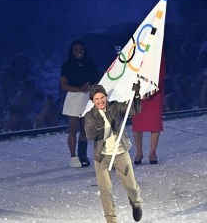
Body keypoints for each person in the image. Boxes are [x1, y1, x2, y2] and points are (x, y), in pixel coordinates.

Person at [84, 83, 143, 223]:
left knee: (131, 187)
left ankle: (136, 203)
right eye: (97, 99)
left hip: (121, 153)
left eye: (102, 97)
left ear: (106, 97)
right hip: (102, 157)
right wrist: (99, 125)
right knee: (105, 189)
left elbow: (135, 110)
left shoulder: (115, 107)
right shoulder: (90, 115)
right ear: (92, 101)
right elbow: (89, 134)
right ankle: (111, 220)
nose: (100, 101)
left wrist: (136, 95)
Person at [60, 40, 100, 168]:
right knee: (73, 129)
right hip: (73, 97)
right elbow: (63, 84)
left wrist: (90, 88)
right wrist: (79, 89)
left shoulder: (90, 64)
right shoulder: (67, 66)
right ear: (72, 51)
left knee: (84, 128)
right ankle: (73, 156)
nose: (79, 52)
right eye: (76, 50)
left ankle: (82, 155)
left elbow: (96, 79)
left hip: (87, 98)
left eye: (81, 49)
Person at [132, 51, 166, 165]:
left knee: (154, 122)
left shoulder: (158, 51)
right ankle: (139, 152)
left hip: (155, 91)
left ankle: (152, 152)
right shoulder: (137, 49)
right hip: (138, 90)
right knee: (137, 122)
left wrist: (151, 90)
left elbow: (160, 72)